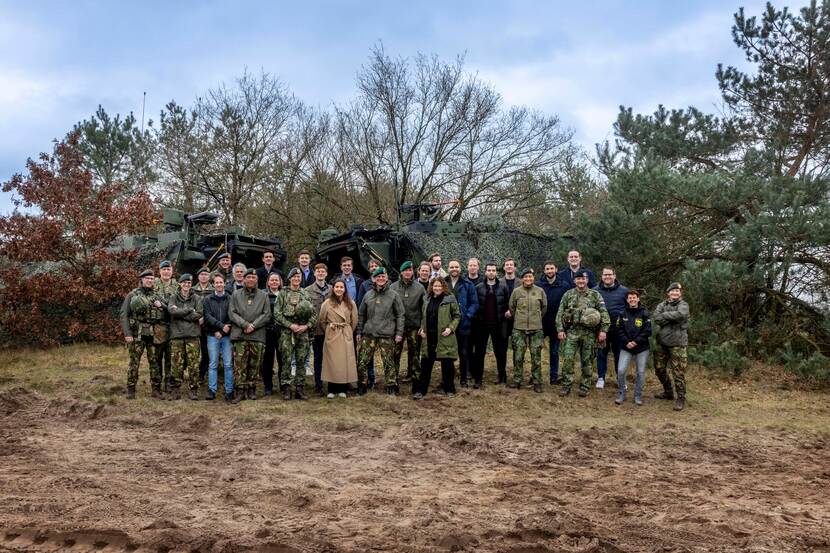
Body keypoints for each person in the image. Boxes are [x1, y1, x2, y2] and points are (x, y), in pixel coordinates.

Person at [556, 269, 610, 397]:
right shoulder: (568, 294)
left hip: (589, 333)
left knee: (587, 360)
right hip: (572, 332)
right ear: (575, 280)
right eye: (578, 279)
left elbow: (604, 313)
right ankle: (566, 385)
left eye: (583, 279)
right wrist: (560, 329)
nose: (581, 281)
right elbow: (560, 313)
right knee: (568, 359)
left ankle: (585, 385)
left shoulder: (595, 295)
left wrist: (603, 330)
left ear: (587, 280)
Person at [356, 267, 405, 395]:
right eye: (378, 277)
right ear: (374, 279)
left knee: (389, 362)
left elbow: (400, 315)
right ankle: (362, 384)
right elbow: (361, 315)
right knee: (362, 361)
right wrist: (359, 332)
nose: (381, 279)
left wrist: (399, 333)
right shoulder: (368, 295)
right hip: (369, 334)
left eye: (383, 276)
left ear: (386, 278)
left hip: (387, 334)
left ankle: (391, 385)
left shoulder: (393, 295)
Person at [228, 268, 272, 402]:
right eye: (248, 277)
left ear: (257, 279)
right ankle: (240, 390)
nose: (251, 280)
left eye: (253, 277)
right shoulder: (236, 294)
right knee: (239, 364)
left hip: (257, 335)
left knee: (255, 364)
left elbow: (267, 314)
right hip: (240, 335)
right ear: (244, 279)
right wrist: (245, 325)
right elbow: (232, 313)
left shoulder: (263, 295)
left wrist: (253, 325)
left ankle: (251, 389)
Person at [274, 268, 317, 400]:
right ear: (290, 279)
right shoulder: (283, 293)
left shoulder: (305, 293)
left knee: (301, 360)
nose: (296, 279)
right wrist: (290, 325)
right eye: (294, 277)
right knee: (286, 360)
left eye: (298, 277)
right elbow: (277, 313)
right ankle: (286, 388)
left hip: (302, 332)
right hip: (287, 332)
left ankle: (300, 388)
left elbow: (314, 314)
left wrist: (306, 326)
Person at [119, 269, 162, 399]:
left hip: (152, 333)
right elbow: (124, 315)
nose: (150, 280)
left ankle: (156, 389)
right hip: (136, 333)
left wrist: (161, 305)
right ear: (141, 280)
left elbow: (165, 311)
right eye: (147, 278)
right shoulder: (132, 295)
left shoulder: (156, 295)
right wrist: (127, 333)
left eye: (152, 278)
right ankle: (131, 389)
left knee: (154, 361)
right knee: (134, 362)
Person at [417, 277, 460, 398]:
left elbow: (457, 316)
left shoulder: (450, 299)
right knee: (425, 364)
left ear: (443, 287)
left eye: (439, 286)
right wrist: (421, 329)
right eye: (435, 286)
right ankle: (421, 390)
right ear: (432, 287)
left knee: (447, 364)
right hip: (429, 336)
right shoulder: (426, 299)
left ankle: (449, 389)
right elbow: (423, 316)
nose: (437, 288)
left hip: (444, 336)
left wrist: (450, 328)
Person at [318, 279, 359, 398]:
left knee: (344, 361)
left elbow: (354, 321)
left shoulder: (351, 303)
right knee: (332, 362)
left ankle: (343, 389)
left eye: (341, 287)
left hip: (345, 334)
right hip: (332, 334)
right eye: (337, 287)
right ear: (333, 288)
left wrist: (348, 330)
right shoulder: (327, 303)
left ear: (345, 289)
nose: (339, 289)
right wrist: (329, 330)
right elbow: (321, 320)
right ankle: (331, 389)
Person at [652, 282, 690, 411]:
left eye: (677, 291)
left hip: (678, 344)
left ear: (680, 293)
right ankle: (668, 391)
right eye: (672, 291)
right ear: (668, 293)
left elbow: (681, 315)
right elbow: (657, 318)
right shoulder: (661, 305)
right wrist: (671, 317)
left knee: (678, 372)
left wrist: (665, 316)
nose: (675, 293)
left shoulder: (683, 305)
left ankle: (681, 397)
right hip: (662, 343)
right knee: (659, 369)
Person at [508, 268, 547, 392]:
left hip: (536, 329)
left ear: (533, 278)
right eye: (526, 277)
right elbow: (512, 307)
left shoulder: (540, 291)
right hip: (519, 329)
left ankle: (536, 381)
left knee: (536, 357)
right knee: (518, 356)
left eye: (530, 276)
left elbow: (544, 308)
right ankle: (517, 380)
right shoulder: (516, 291)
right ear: (522, 279)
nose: (528, 279)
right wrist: (520, 318)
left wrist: (536, 318)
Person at [167, 274, 204, 401]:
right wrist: (189, 310)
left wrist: (180, 313)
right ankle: (176, 389)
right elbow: (171, 311)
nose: (187, 285)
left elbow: (198, 314)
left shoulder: (197, 298)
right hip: (176, 335)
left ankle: (194, 389)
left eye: (189, 283)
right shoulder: (173, 297)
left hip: (193, 335)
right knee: (176, 364)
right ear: (180, 283)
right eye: (184, 282)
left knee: (193, 364)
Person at [473, 262, 510, 386]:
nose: (491, 272)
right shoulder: (478, 287)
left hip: (498, 325)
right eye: (489, 270)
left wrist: (507, 313)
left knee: (500, 352)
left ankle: (502, 377)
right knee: (479, 353)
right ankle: (478, 379)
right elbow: (476, 305)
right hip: (482, 325)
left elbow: (507, 304)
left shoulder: (503, 287)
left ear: (496, 272)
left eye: (493, 270)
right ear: (485, 272)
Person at [390, 261, 425, 389]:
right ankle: (393, 378)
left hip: (414, 326)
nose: (408, 272)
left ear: (413, 272)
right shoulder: (393, 287)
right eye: (405, 270)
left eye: (410, 270)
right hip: (397, 327)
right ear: (401, 272)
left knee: (415, 353)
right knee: (395, 353)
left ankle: (415, 377)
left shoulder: (420, 288)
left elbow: (424, 308)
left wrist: (422, 325)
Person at [593, 266, 629, 389]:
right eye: (605, 275)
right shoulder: (595, 291)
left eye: (609, 275)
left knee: (619, 355)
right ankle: (601, 378)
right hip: (601, 330)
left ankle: (620, 379)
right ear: (601, 276)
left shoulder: (624, 291)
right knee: (601, 354)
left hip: (618, 330)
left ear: (614, 276)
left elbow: (629, 309)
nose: (607, 277)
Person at [614, 289, 651, 406]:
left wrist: (635, 342)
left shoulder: (645, 313)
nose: (632, 299)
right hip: (626, 347)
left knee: (640, 372)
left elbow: (648, 331)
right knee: (620, 371)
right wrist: (627, 342)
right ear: (627, 300)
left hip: (641, 348)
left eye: (634, 297)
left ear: (638, 299)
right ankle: (622, 393)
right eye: (630, 298)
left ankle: (638, 395)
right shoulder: (622, 313)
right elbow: (619, 330)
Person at [446, 260, 479, 388]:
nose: (454, 269)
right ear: (448, 268)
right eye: (452, 267)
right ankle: (447, 379)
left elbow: (474, 303)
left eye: (456, 267)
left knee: (463, 353)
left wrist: (467, 315)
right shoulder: (443, 282)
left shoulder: (467, 284)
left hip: (463, 324)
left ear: (460, 268)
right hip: (447, 325)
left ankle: (464, 379)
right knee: (447, 353)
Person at [202, 273, 234, 402]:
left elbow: (232, 315)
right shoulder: (207, 299)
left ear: (225, 284)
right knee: (213, 364)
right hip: (212, 335)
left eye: (221, 282)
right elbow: (207, 316)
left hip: (227, 336)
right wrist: (219, 328)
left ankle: (229, 390)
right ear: (213, 284)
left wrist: (225, 330)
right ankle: (212, 390)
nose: (219, 284)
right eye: (217, 282)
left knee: (228, 364)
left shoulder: (230, 298)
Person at [537, 261, 569, 385]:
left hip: (557, 324)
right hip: (541, 324)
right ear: (544, 271)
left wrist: (564, 325)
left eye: (551, 268)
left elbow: (567, 306)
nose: (549, 271)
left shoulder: (564, 286)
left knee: (554, 352)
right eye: (547, 269)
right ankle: (536, 375)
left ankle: (553, 377)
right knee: (536, 351)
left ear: (556, 269)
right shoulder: (539, 285)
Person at [305, 263, 331, 395]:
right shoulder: (308, 290)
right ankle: (318, 385)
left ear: (326, 274)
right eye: (318, 271)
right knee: (318, 358)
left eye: (323, 271)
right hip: (316, 331)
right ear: (314, 273)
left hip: (331, 330)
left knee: (332, 358)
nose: (320, 273)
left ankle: (333, 383)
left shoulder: (332, 289)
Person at [153, 260, 179, 394]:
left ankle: (169, 382)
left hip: (173, 326)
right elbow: (151, 300)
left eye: (168, 269)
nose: (166, 272)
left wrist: (163, 305)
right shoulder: (153, 284)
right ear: (160, 271)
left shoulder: (177, 286)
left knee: (170, 356)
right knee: (157, 357)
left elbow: (176, 304)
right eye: (164, 269)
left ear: (172, 271)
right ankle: (156, 383)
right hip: (158, 326)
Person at [356, 258, 380, 387]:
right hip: (369, 325)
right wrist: (360, 328)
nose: (374, 268)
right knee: (368, 355)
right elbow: (361, 307)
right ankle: (370, 378)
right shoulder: (364, 285)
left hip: (384, 325)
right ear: (369, 269)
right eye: (371, 266)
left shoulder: (387, 284)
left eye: (376, 266)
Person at [261, 272, 283, 396]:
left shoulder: (284, 294)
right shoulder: (263, 295)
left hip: (281, 331)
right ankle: (268, 386)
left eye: (276, 280)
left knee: (282, 359)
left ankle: (283, 384)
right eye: (272, 280)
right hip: (267, 331)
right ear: (268, 282)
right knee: (267, 360)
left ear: (280, 282)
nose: (274, 282)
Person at [192, 267, 214, 385]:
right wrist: (197, 317)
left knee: (206, 353)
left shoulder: (213, 290)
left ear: (209, 276)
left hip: (208, 326)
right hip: (194, 325)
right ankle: (193, 374)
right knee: (194, 353)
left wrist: (204, 318)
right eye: (201, 274)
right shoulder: (192, 290)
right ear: (198, 276)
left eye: (206, 274)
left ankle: (201, 374)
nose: (204, 276)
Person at [502, 257, 518, 351]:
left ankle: (517, 366)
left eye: (511, 265)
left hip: (517, 318)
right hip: (503, 318)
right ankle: (502, 366)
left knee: (517, 347)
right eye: (507, 265)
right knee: (502, 345)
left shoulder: (521, 282)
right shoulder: (498, 282)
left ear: (515, 268)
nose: (509, 266)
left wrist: (512, 311)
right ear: (504, 268)